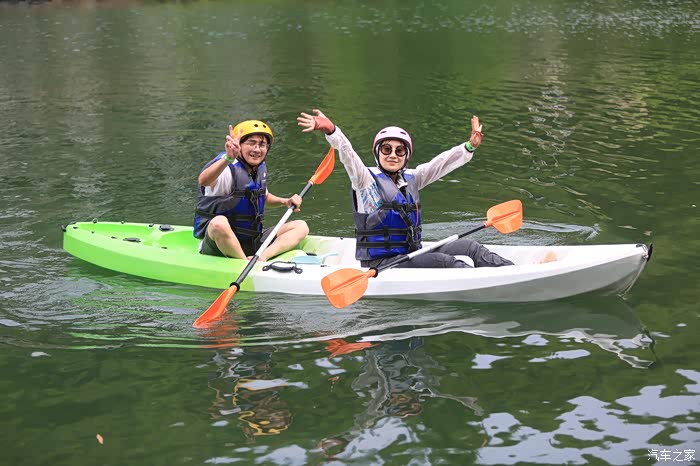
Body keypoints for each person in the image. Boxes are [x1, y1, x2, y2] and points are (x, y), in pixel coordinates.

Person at [297, 109, 513, 269]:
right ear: (377, 153)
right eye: (386, 149)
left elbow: (440, 164)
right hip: (382, 263)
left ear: (406, 155)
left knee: (470, 247)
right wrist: (332, 131)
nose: (393, 155)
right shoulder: (365, 181)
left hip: (411, 253)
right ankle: (486, 285)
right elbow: (348, 154)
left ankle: (510, 271)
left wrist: (469, 147)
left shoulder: (411, 178)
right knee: (447, 262)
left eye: (399, 150)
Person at [193, 119, 309, 261]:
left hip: (252, 240)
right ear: (239, 145)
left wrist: (285, 201)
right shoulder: (226, 169)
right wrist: (228, 158)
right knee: (219, 223)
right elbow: (204, 180)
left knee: (301, 226)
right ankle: (244, 263)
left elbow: (263, 196)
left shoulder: (257, 169)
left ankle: (261, 258)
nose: (257, 149)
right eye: (251, 143)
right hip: (219, 245)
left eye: (262, 144)